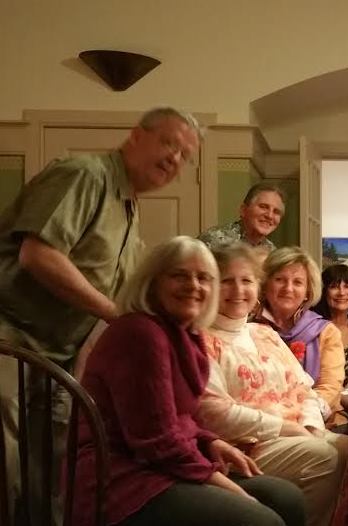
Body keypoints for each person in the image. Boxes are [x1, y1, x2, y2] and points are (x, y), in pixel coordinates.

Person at [0, 107, 201, 523]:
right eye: (169, 143)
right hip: (11, 344)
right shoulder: (86, 174)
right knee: (8, 471)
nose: (174, 159)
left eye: (185, 156)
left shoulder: (128, 208)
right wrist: (117, 316)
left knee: (53, 479)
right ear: (135, 137)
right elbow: (38, 255)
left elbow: (131, 293)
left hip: (60, 358)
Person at [72, 236, 305, 526]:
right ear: (152, 282)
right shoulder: (140, 333)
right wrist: (227, 486)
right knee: (261, 520)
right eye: (179, 275)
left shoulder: (183, 333)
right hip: (123, 479)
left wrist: (212, 440)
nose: (194, 285)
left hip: (163, 467)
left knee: (286, 497)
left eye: (204, 278)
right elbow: (156, 440)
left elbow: (182, 417)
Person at [198, 243, 348, 526]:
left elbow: (303, 389)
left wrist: (309, 428)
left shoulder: (263, 333)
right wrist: (289, 429)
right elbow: (213, 413)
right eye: (227, 281)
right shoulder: (201, 337)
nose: (238, 290)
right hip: (244, 444)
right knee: (323, 457)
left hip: (293, 433)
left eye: (246, 281)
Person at [254, 247, 346, 427]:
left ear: (307, 293)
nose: (288, 288)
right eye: (280, 279)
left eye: (297, 282)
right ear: (265, 286)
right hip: (263, 422)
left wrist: (301, 418)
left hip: (321, 422)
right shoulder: (250, 329)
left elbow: (329, 388)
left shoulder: (326, 332)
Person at [311, 264, 348, 387]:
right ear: (323, 292)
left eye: (347, 286)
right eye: (334, 287)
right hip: (322, 393)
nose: (342, 293)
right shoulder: (313, 326)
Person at [199, 182, 286, 251]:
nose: (270, 216)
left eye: (276, 212)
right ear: (243, 210)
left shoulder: (272, 252)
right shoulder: (214, 240)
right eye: (263, 207)